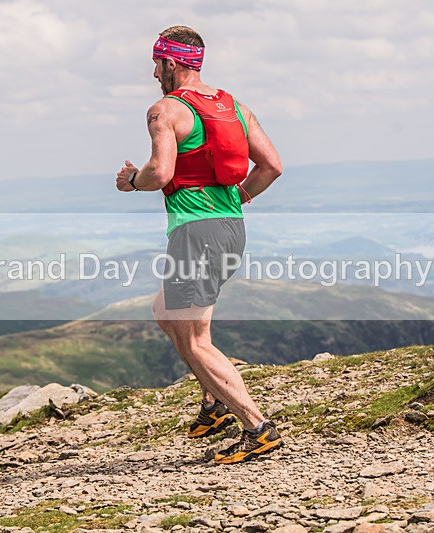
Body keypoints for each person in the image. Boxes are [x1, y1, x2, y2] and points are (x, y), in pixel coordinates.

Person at [115, 25, 283, 464]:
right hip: (231, 227)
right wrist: (239, 198)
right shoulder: (233, 106)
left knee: (195, 341)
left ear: (170, 62)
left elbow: (161, 173)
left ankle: (257, 427)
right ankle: (213, 405)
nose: (154, 73)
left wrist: (132, 181)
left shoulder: (164, 111)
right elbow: (271, 166)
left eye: (156, 64)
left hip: (196, 233)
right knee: (163, 310)